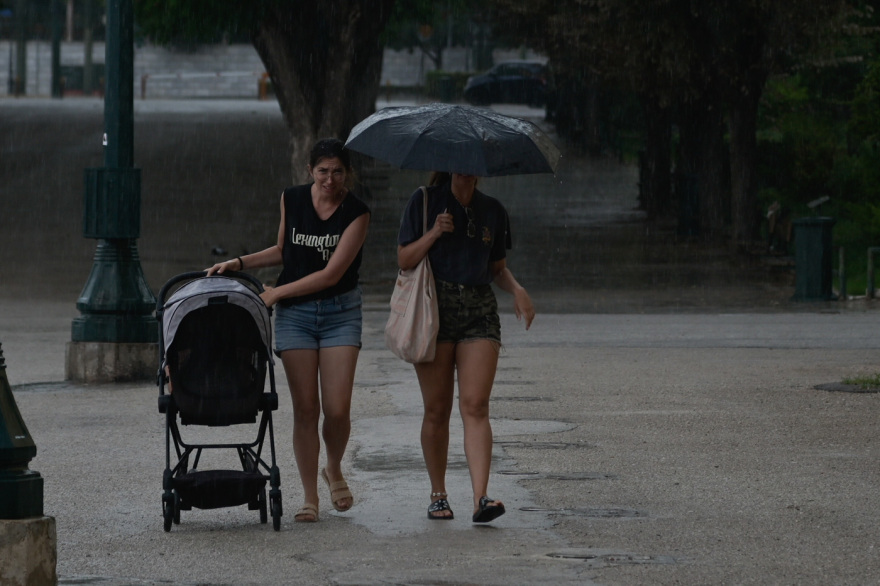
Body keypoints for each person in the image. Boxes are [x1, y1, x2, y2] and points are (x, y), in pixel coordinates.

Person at [207, 138, 370, 523]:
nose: (330, 179)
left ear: (348, 174)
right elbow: (284, 250)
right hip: (296, 317)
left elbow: (332, 274)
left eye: (338, 172)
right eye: (322, 171)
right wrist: (239, 262)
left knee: (337, 409)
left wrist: (277, 292)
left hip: (340, 312)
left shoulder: (357, 213)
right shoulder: (292, 198)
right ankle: (310, 498)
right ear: (310, 170)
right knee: (306, 409)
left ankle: (333, 466)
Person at [396, 171, 535, 523]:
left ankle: (480, 498)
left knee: (476, 405)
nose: (465, 168)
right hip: (434, 309)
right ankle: (438, 495)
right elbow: (404, 259)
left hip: (479, 311)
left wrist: (517, 289)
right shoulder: (425, 200)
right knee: (437, 409)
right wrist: (434, 232)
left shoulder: (493, 210)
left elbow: (497, 268)